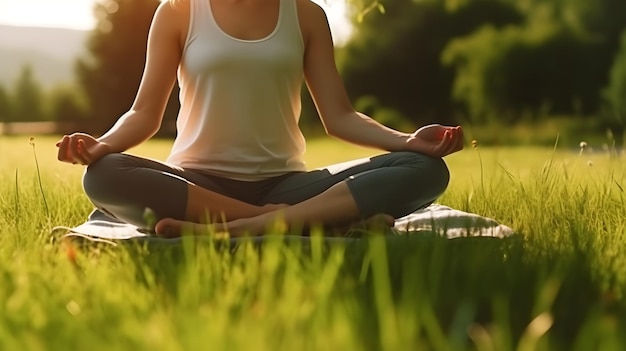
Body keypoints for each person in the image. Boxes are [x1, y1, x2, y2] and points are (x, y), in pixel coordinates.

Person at [56, 0, 464, 237]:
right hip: (198, 184)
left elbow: (340, 116)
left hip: (288, 185)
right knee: (103, 174)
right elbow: (144, 114)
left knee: (425, 170)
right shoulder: (178, 11)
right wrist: (102, 145)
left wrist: (408, 142)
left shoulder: (306, 14)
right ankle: (290, 223)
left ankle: (231, 229)